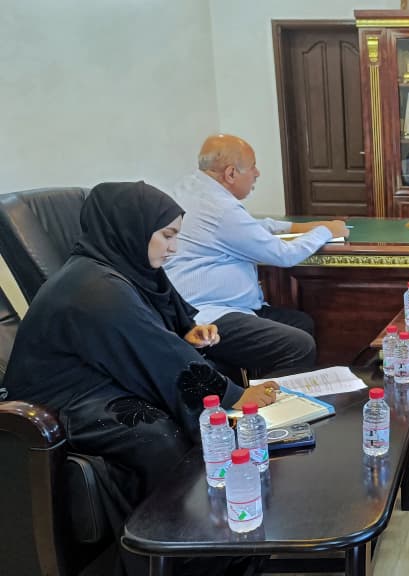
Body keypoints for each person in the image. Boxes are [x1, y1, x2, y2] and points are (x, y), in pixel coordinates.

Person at [3, 181, 279, 575]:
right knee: (159, 435)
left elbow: (161, 330)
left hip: (98, 378)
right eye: (167, 235)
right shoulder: (94, 288)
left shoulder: (127, 268)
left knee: (187, 420)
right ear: (131, 228)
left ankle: (220, 539)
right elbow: (155, 351)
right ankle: (181, 557)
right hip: (61, 399)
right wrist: (232, 395)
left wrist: (187, 332)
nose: (173, 248)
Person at [165, 134, 349, 377]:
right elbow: (284, 255)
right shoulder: (220, 207)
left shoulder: (193, 188)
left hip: (209, 305)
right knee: (298, 346)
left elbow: (245, 228)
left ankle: (264, 387)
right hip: (209, 314)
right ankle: (266, 399)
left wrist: (294, 227)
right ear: (231, 173)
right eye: (252, 167)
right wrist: (327, 231)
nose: (257, 173)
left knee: (300, 322)